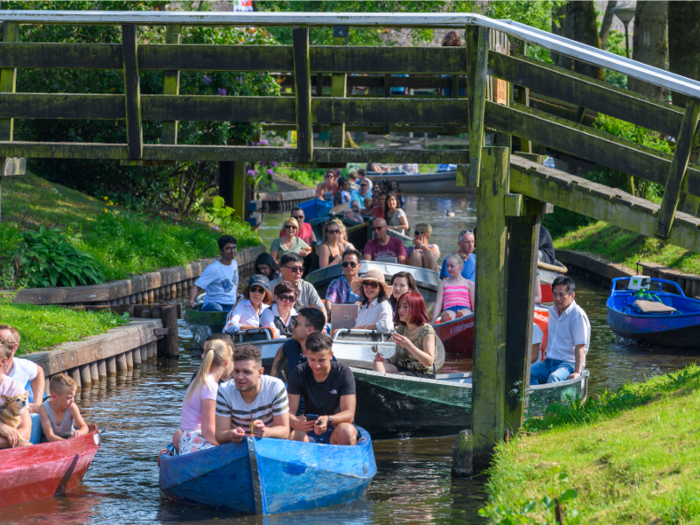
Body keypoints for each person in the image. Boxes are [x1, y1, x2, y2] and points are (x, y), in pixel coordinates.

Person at [287, 332, 357, 445]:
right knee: (285, 431)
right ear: (306, 356)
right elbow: (289, 412)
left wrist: (328, 419)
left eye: (321, 360)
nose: (316, 365)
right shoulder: (299, 372)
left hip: (336, 427)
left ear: (331, 355)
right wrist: (297, 424)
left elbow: (349, 414)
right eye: (312, 359)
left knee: (347, 431)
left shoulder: (343, 373)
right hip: (308, 430)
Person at [215, 345, 290, 442]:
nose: (239, 377)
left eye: (247, 372)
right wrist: (231, 434)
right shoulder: (225, 390)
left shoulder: (275, 387)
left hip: (268, 444)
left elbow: (285, 430)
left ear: (260, 372)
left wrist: (266, 432)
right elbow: (219, 435)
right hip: (237, 447)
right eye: (236, 371)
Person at [176, 338, 233, 455]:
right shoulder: (210, 387)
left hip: (188, 438)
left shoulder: (201, 379)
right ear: (227, 362)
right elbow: (208, 432)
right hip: (197, 442)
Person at [531, 276, 590, 384]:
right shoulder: (552, 311)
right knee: (527, 373)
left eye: (561, 295)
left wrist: (577, 371)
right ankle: (535, 400)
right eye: (555, 294)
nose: (557, 298)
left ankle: (552, 401)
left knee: (554, 378)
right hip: (549, 361)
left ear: (572, 296)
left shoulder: (577, 315)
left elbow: (580, 345)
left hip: (568, 363)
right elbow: (551, 336)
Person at [374, 291, 439, 378]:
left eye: (405, 307)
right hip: (403, 369)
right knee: (378, 365)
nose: (400, 310)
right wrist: (387, 361)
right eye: (399, 306)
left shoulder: (427, 330)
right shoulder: (401, 329)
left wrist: (409, 346)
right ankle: (381, 388)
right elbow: (398, 356)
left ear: (416, 309)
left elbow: (429, 361)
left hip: (423, 373)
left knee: (397, 376)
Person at [270, 308, 328, 381]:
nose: (292, 327)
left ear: (309, 330)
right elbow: (281, 352)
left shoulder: (324, 357)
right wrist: (272, 380)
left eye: (296, 324)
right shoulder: (291, 345)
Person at [0, 325, 45, 413]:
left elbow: (39, 372)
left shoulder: (22, 367)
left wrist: (38, 403)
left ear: (14, 347)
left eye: (2, 342)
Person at [187, 235, 239, 311]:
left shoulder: (234, 264)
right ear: (221, 251)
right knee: (217, 309)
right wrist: (191, 300)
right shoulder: (213, 269)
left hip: (231, 304)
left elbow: (232, 286)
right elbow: (196, 286)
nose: (232, 251)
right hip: (214, 304)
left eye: (234, 247)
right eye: (228, 248)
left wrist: (238, 297)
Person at [0, 336, 32, 448]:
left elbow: (26, 432)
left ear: (3, 361)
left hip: (4, 443)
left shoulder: (14, 389)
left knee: (26, 446)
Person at [38, 373, 89, 442]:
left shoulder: (72, 407)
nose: (73, 400)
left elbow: (84, 427)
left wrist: (80, 433)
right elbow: (50, 436)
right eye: (68, 398)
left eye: (73, 396)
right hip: (50, 440)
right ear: (54, 397)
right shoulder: (43, 408)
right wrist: (68, 443)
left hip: (68, 437)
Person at [433, 254, 475, 323]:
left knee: (467, 313)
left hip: (464, 307)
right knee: (448, 315)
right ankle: (452, 320)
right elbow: (438, 303)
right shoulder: (443, 283)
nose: (448, 268)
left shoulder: (469, 284)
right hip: (449, 308)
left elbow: (473, 304)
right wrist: (433, 320)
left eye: (452, 266)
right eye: (447, 266)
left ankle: (461, 318)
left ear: (460, 267)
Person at [324, 250, 362, 318]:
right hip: (340, 322)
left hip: (362, 322)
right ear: (342, 266)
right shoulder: (335, 283)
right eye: (345, 264)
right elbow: (330, 299)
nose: (349, 266)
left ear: (359, 266)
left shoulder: (366, 283)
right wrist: (330, 310)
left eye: (352, 264)